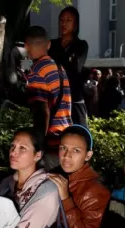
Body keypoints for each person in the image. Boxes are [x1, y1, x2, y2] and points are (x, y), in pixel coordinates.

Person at [48, 125, 110, 228]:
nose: (66, 156)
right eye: (63, 148)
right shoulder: (54, 174)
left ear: (88, 155)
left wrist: (66, 199)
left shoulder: (96, 191)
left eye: (76, 150)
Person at [24, 25, 72, 170]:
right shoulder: (58, 67)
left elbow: (42, 111)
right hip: (66, 138)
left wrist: (38, 146)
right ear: (49, 44)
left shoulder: (36, 72)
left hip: (52, 143)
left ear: (26, 46)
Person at [49, 6, 89, 127]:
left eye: (68, 20)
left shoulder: (81, 45)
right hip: (55, 99)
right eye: (61, 20)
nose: (63, 23)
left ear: (75, 24)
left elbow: (75, 69)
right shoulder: (52, 45)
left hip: (75, 99)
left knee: (81, 134)